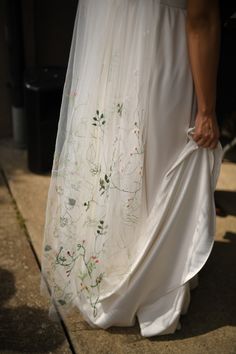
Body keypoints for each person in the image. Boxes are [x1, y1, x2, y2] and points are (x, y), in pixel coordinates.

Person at [40, 0, 223, 336]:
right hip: (161, 49)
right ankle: (148, 285)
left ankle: (108, 270)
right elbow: (202, 17)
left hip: (110, 45)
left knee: (116, 152)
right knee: (154, 164)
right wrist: (207, 111)